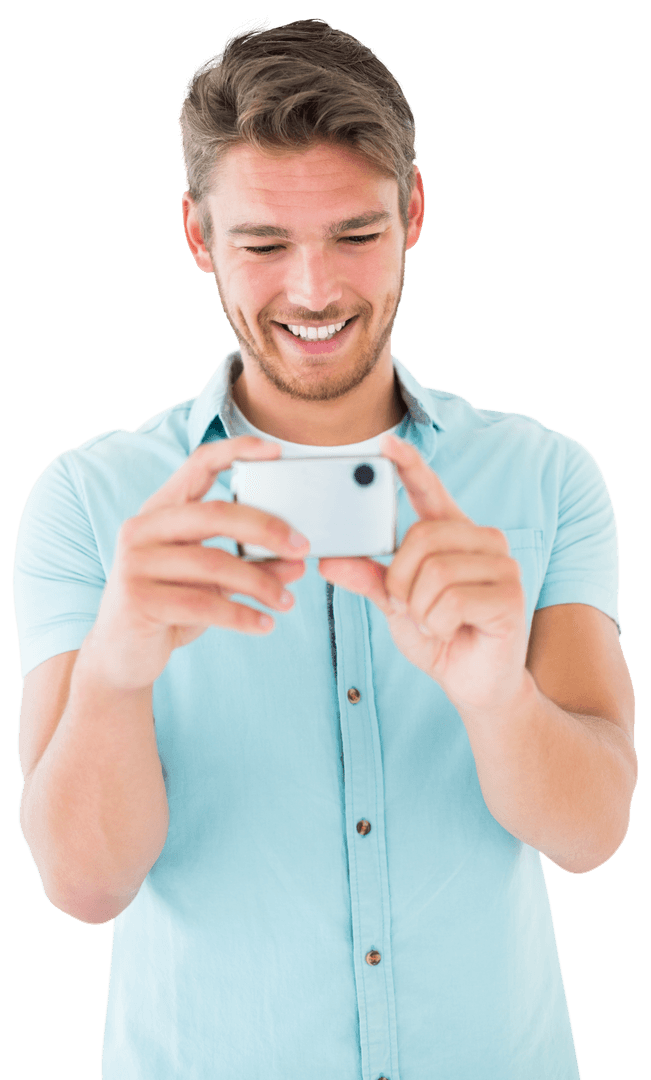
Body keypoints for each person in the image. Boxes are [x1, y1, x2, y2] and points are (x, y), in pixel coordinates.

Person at [13, 18, 637, 1080]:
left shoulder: (545, 477)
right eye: (262, 245)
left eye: (355, 234)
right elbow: (83, 889)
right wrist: (117, 673)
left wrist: (496, 697)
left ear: (415, 214)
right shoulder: (89, 500)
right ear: (198, 237)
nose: (312, 291)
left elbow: (592, 836)